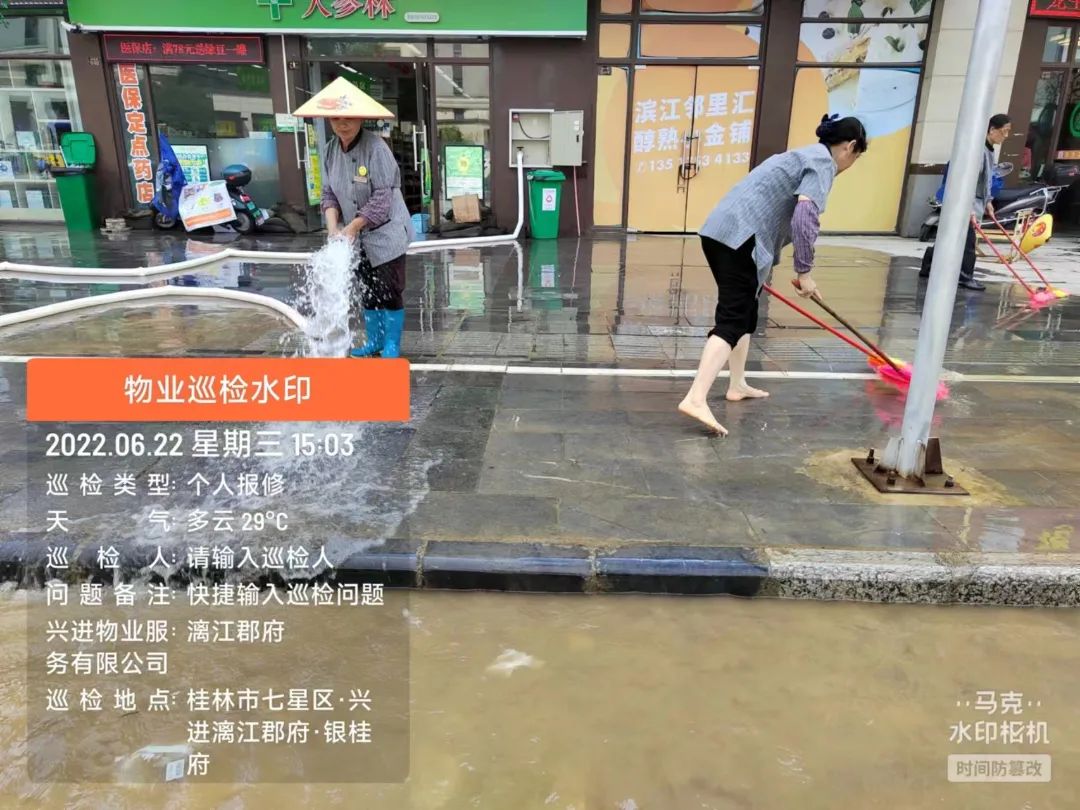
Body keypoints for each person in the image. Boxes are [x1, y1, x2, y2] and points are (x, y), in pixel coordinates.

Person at [678, 114, 868, 437]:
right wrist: (804, 272)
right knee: (733, 318)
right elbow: (805, 217)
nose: (851, 164)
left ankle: (737, 383)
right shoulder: (823, 163)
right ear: (850, 147)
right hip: (741, 238)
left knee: (747, 312)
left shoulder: (803, 155)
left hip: (723, 233)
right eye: (857, 156)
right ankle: (696, 398)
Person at [294, 77, 415, 358]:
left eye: (348, 117)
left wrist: (353, 226)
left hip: (386, 233)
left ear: (361, 118)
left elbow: (383, 197)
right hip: (355, 235)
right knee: (367, 288)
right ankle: (374, 340)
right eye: (336, 118)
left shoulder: (376, 148)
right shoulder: (329, 150)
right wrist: (332, 227)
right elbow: (329, 193)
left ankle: (391, 344)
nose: (342, 124)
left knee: (390, 290)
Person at [920, 113, 1012, 292]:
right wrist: (968, 208)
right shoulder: (977, 151)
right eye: (1004, 131)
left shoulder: (988, 150)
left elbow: (985, 180)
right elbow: (967, 181)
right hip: (963, 205)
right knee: (968, 243)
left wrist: (988, 201)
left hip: (970, 204)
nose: (1006, 136)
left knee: (950, 238)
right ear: (992, 130)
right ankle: (965, 276)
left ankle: (929, 266)